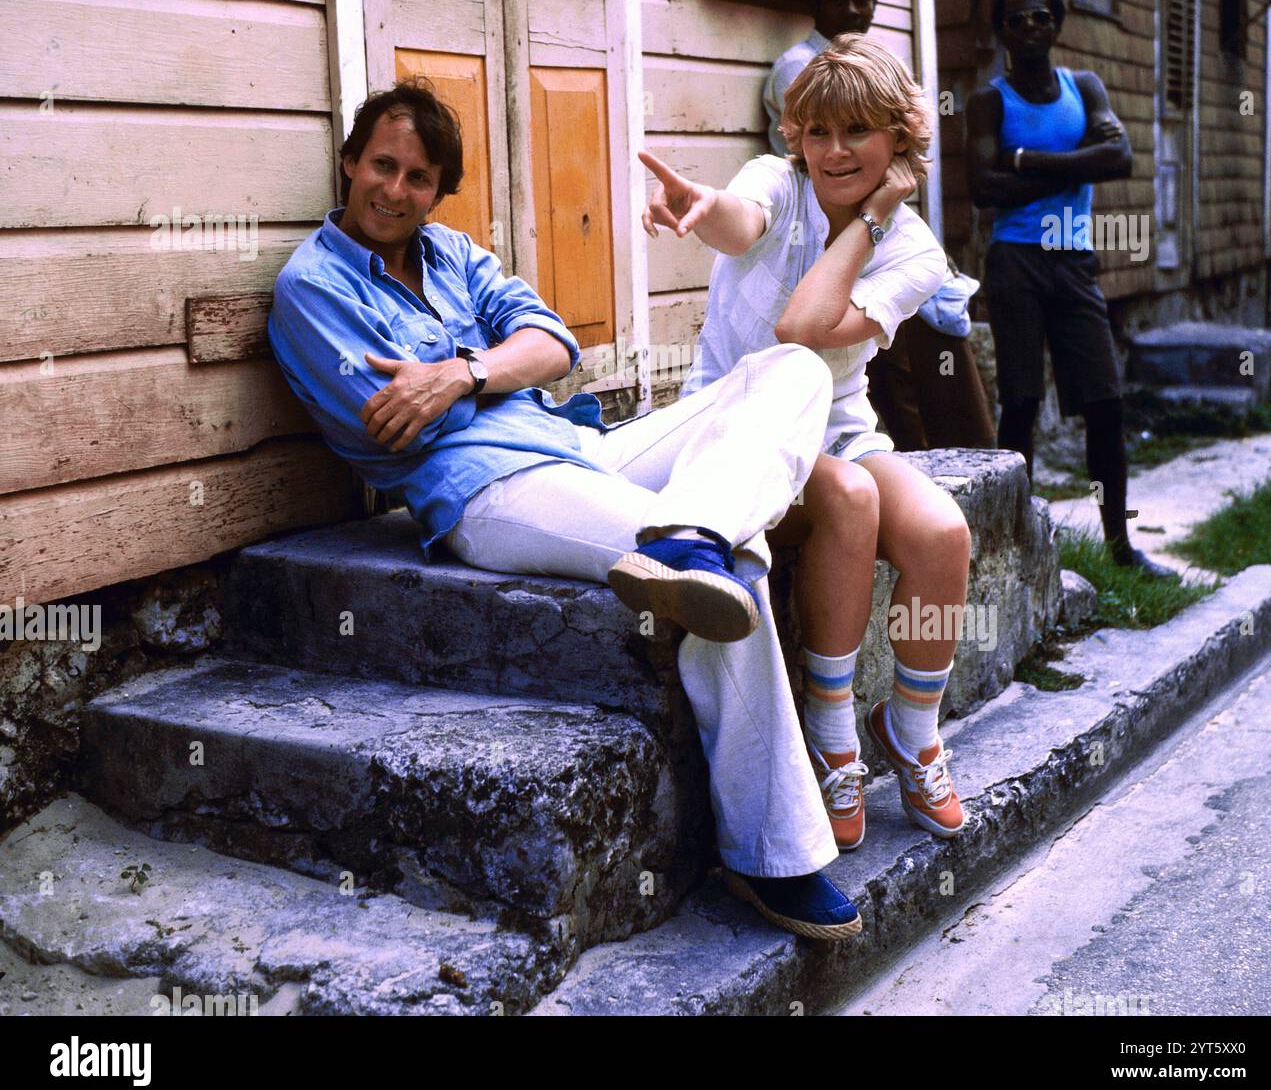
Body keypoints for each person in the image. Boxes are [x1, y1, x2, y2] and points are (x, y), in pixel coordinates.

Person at [266, 79, 864, 941]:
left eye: (420, 178)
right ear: (349, 162)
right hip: (487, 491)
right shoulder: (311, 288)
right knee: (734, 568)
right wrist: (492, 366)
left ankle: (692, 529)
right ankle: (775, 856)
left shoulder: (452, 255)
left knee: (792, 371)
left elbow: (556, 345)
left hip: (583, 447)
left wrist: (460, 374)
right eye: (382, 167)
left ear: (440, 190)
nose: (396, 192)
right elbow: (394, 423)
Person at [643, 39, 973, 850]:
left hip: (838, 425)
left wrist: (867, 223)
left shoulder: (915, 251)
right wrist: (702, 208)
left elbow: (815, 328)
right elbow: (745, 233)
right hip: (740, 430)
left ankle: (912, 728)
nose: (832, 151)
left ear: (899, 141)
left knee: (943, 533)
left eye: (857, 131)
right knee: (851, 498)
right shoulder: (775, 183)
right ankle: (832, 738)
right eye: (817, 130)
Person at [965, 0, 1176, 578]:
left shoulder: (1083, 86)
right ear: (1001, 30)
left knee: (1106, 404)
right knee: (1023, 401)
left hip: (1075, 260)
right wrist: (1081, 165)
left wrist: (1027, 161)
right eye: (1016, 20)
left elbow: (1123, 157)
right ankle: (1014, 548)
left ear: (1055, 23)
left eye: (1040, 17)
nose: (1029, 27)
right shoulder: (990, 100)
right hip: (1015, 261)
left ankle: (1120, 546)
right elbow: (984, 188)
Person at [765, 0, 996, 452]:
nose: (852, 10)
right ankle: (913, 461)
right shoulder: (801, 69)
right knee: (885, 368)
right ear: (815, 5)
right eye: (838, 0)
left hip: (882, 229)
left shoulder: (877, 67)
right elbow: (840, 164)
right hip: (822, 234)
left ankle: (965, 462)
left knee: (939, 331)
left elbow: (901, 166)